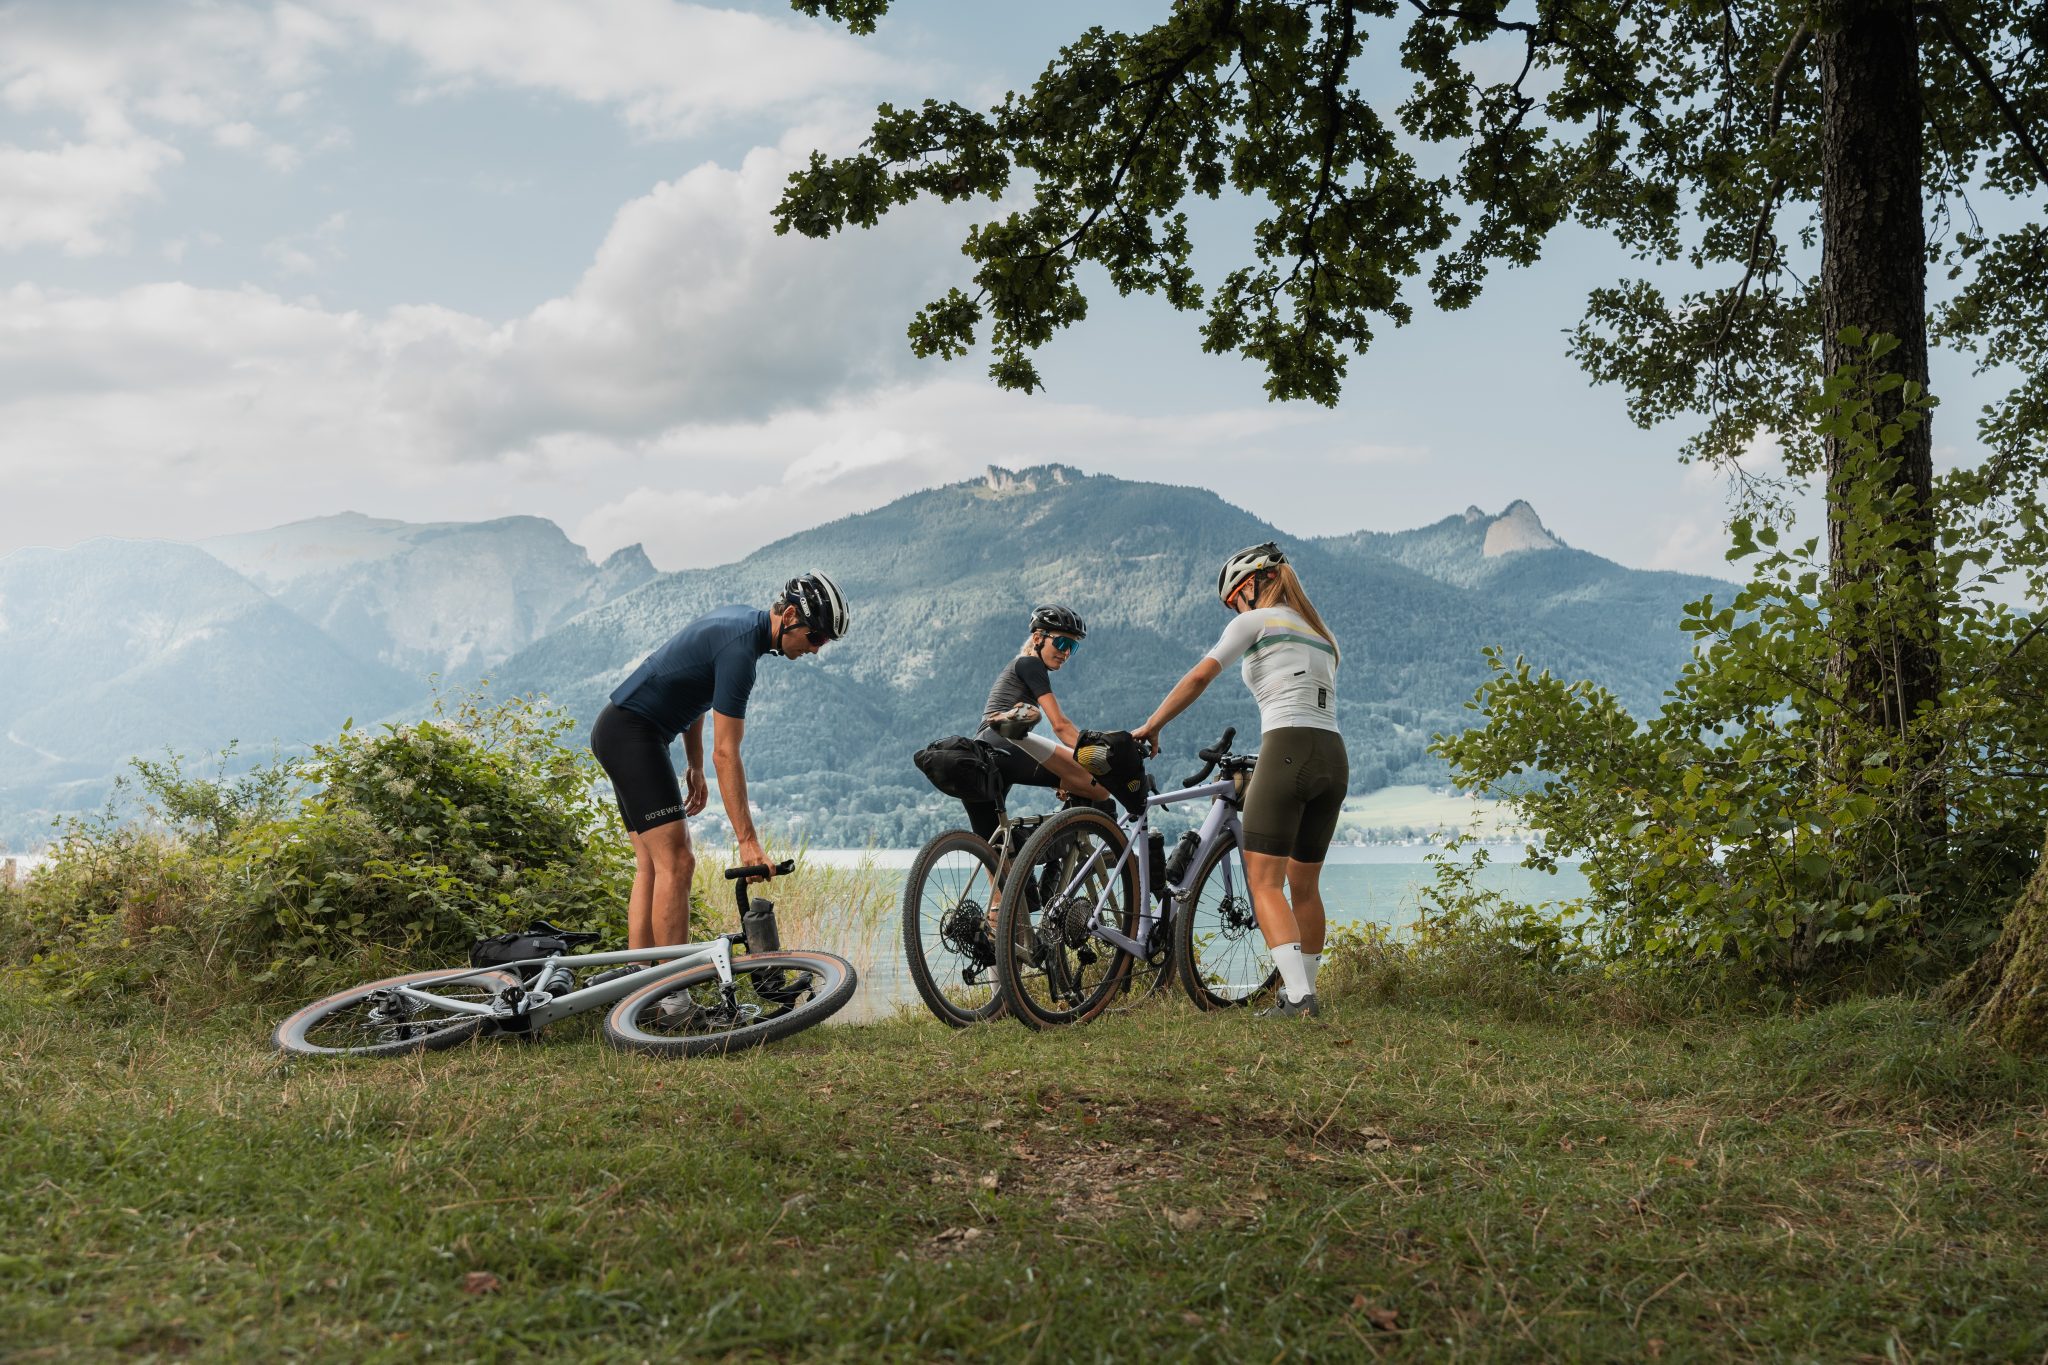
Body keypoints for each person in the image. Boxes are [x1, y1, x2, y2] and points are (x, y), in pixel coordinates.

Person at [1132, 543, 1346, 1018]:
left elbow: (1199, 677)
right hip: (1334, 757)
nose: (1234, 608)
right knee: (1304, 884)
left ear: (1250, 585)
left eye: (1233, 599)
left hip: (1287, 751)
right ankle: (1304, 992)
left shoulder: (1255, 622)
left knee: (1263, 880)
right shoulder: (1322, 633)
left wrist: (1152, 725)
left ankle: (1296, 998)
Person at [590, 572, 848, 950]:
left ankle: (639, 988)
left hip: (619, 730)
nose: (816, 649)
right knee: (677, 862)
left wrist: (694, 765)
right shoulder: (741, 651)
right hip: (633, 733)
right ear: (790, 614)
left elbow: (695, 693)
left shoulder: (741, 627)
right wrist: (748, 841)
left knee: (652, 864)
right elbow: (726, 752)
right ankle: (671, 996)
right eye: (816, 636)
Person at [964, 604, 1111, 843]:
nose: (1066, 653)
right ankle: (1043, 842)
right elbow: (1061, 726)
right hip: (1005, 742)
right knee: (1101, 787)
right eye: (1062, 643)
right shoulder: (1030, 664)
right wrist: (1100, 760)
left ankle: (1020, 863)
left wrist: (1065, 770)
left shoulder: (1016, 669)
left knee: (995, 850)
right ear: (1037, 638)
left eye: (1073, 647)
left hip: (980, 755)